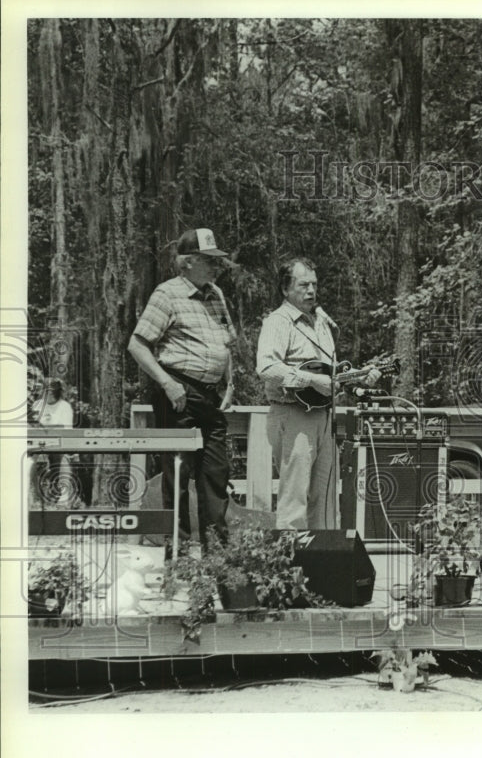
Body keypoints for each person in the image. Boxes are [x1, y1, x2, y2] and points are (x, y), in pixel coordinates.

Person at [128, 228, 236, 557]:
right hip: (178, 389)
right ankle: (177, 556)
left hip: (211, 394)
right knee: (177, 472)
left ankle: (216, 554)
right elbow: (137, 344)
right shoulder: (167, 294)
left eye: (217, 261)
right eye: (208, 261)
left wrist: (230, 383)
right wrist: (167, 383)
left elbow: (227, 343)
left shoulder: (215, 293)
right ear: (186, 263)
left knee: (215, 472)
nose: (216, 267)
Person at [256, 257, 378, 530]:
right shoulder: (278, 322)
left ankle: (320, 566)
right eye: (303, 285)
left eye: (314, 284)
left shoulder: (320, 322)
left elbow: (329, 374)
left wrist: (359, 377)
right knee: (294, 499)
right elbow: (266, 367)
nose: (311, 291)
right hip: (292, 414)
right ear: (286, 289)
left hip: (325, 418)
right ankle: (289, 566)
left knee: (325, 501)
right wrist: (310, 380)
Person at [31, 378, 75, 506]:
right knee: (29, 461)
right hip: (38, 443)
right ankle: (34, 495)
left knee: (64, 458)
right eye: (46, 391)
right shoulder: (37, 405)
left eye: (51, 391)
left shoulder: (65, 406)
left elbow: (67, 431)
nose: (48, 394)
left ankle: (63, 494)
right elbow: (31, 427)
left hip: (58, 443)